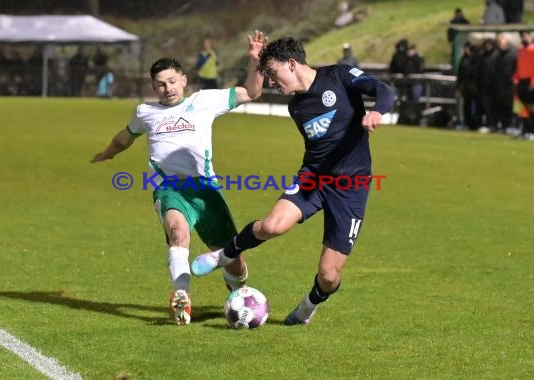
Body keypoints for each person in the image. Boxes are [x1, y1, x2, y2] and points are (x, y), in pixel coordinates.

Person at [191, 36, 395, 326]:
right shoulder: (296, 107)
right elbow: (319, 147)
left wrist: (377, 111)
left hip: (351, 187)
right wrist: (257, 61)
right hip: (313, 178)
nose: (273, 82)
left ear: (292, 64)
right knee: (272, 225)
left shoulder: (338, 75)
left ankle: (308, 306)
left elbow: (383, 89)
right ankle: (223, 256)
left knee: (329, 276)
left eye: (273, 74)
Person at [90, 31, 267, 325]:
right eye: (160, 84)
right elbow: (125, 137)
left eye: (172, 81)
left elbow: (252, 92)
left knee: (233, 261)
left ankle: (238, 293)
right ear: (153, 87)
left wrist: (255, 61)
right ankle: (181, 298)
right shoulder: (145, 112)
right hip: (169, 189)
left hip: (205, 190)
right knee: (178, 233)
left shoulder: (205, 101)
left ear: (183, 80)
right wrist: (107, 152)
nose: (167, 88)